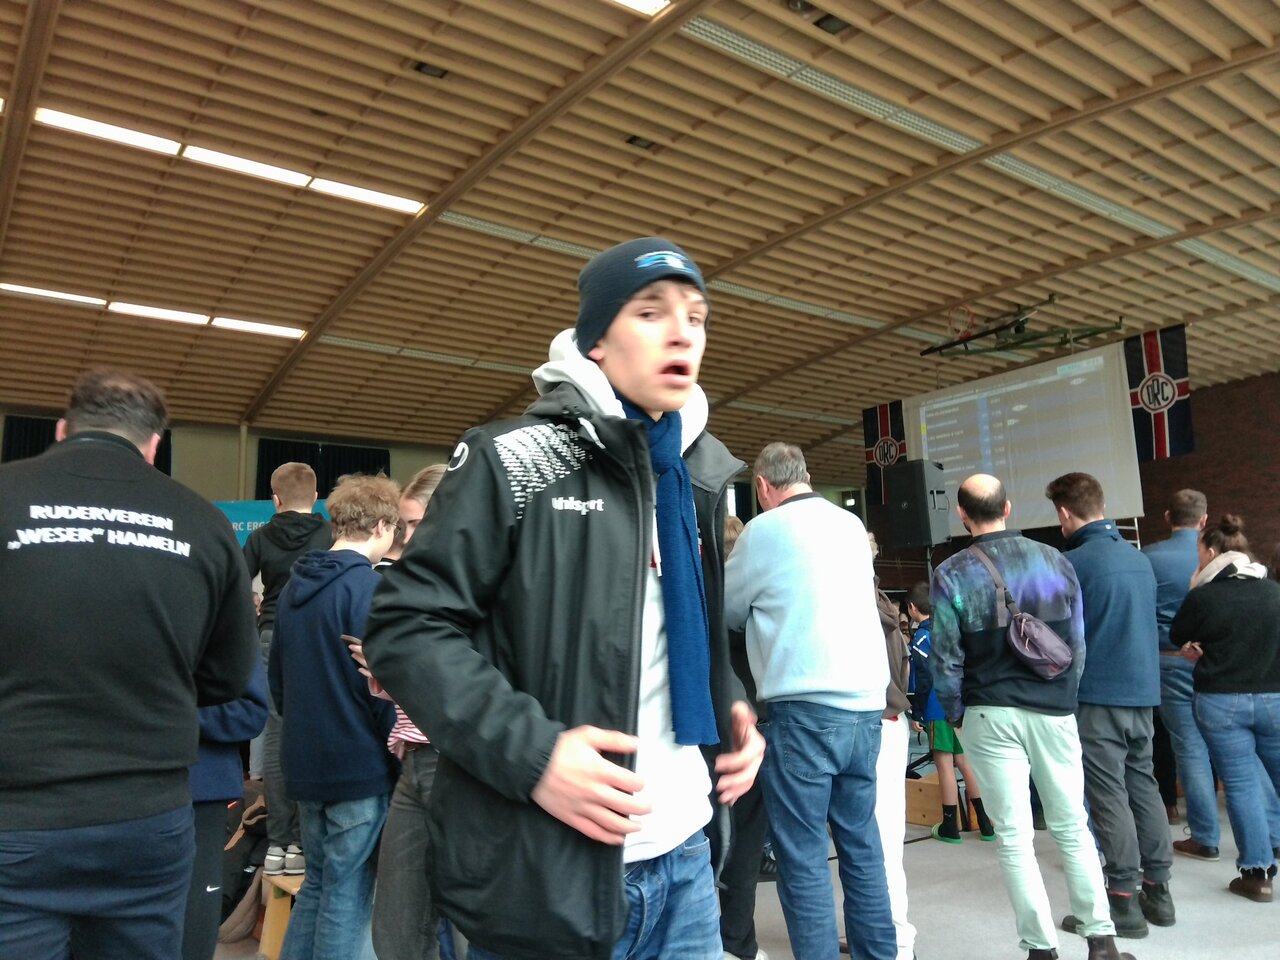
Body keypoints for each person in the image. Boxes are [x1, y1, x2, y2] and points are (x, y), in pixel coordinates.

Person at [363, 237, 764, 960]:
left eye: (697, 317)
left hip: (684, 858)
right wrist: (536, 755)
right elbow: (406, 627)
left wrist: (729, 699)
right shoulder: (513, 458)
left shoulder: (696, 475)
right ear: (596, 340)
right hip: (549, 869)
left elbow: (672, 631)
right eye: (651, 312)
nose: (682, 333)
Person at [0, 369, 258, 959]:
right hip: (146, 818)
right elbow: (227, 677)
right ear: (153, 445)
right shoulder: (202, 521)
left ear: (63, 430)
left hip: (17, 814)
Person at [930, 474, 1134, 960]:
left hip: (988, 713)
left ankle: (1041, 949)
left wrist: (957, 716)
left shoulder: (951, 573)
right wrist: (1064, 697)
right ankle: (1101, 942)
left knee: (1014, 838)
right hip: (1053, 710)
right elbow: (1077, 643)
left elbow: (945, 658)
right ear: (1008, 507)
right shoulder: (1055, 560)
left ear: (962, 514)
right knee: (1072, 826)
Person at [725, 442, 894, 960]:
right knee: (862, 847)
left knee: (802, 857)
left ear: (762, 486)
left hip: (804, 709)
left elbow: (727, 610)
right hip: (866, 707)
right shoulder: (850, 525)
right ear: (807, 475)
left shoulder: (763, 530)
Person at [269, 474, 402, 960]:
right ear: (382, 526)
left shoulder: (293, 588)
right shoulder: (370, 590)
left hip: (304, 762)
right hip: (358, 764)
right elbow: (381, 692)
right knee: (349, 894)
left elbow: (278, 681)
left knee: (317, 886)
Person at [1046, 473, 1174, 937]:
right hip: (1143, 692)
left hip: (1098, 695)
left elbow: (1051, 634)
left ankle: (1122, 900)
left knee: (1108, 794)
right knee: (1144, 784)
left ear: (1065, 513)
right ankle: (1159, 892)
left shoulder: (1069, 563)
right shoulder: (1140, 560)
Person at [362, 465, 452, 960]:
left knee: (454, 921)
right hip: (414, 756)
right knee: (396, 927)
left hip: (454, 759)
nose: (407, 536)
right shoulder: (417, 584)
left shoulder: (474, 585)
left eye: (418, 522)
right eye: (404, 524)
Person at [1171, 514, 1280, 903]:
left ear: (1212, 552)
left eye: (1199, 552)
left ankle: (1257, 874)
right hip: (1274, 698)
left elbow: (1178, 634)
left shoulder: (1204, 596)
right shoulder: (1273, 591)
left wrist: (1200, 643)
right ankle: (1272, 842)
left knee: (1241, 784)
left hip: (1220, 702)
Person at [243, 461, 332, 876]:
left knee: (276, 736)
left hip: (272, 634)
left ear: (274, 499)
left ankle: (279, 843)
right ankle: (306, 840)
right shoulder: (330, 534)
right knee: (315, 730)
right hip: (317, 635)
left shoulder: (260, 537)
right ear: (315, 498)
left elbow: (234, 584)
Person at [182, 663, 269, 960]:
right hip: (115, 791)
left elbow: (251, 712)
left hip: (201, 790)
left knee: (193, 919)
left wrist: (172, 713)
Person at [718, 515, 772, 960]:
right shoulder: (753, 603)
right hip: (753, 723)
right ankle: (739, 943)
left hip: (707, 729)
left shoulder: (697, 599)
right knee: (747, 844)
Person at [905, 581, 996, 845]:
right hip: (960, 704)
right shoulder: (951, 630)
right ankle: (985, 823)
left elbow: (922, 680)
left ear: (912, 608)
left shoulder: (922, 638)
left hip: (937, 706)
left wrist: (918, 713)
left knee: (944, 765)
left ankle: (949, 825)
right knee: (965, 762)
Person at [868, 536, 917, 960]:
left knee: (879, 842)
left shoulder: (856, 604)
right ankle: (884, 932)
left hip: (874, 726)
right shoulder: (883, 603)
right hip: (890, 723)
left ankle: (895, 940)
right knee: (881, 839)